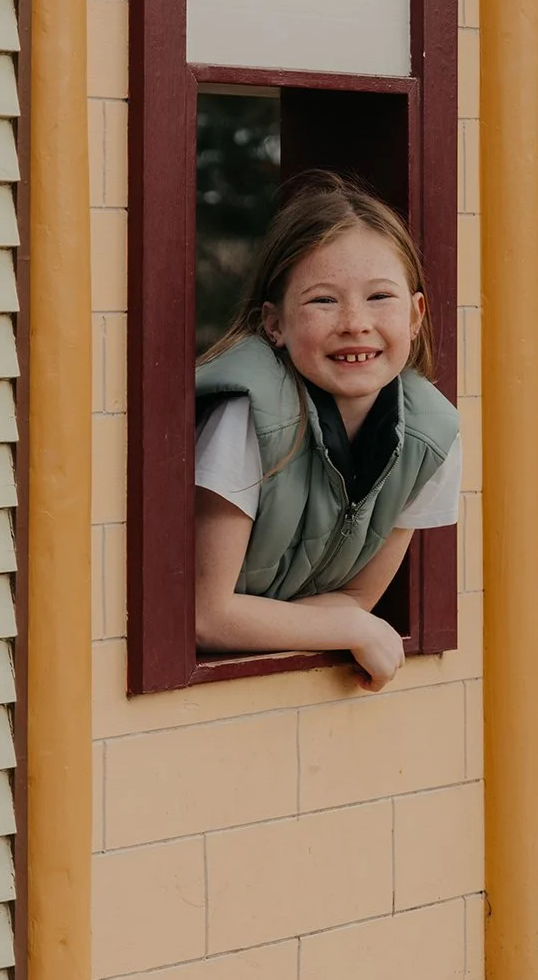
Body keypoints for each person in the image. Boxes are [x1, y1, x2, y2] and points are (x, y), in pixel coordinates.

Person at [193, 176, 460, 685]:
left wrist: (348, 623)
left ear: (416, 315)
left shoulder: (433, 435)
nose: (356, 322)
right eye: (323, 301)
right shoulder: (247, 415)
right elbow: (208, 612)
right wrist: (351, 630)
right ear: (274, 324)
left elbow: (357, 599)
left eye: (380, 296)